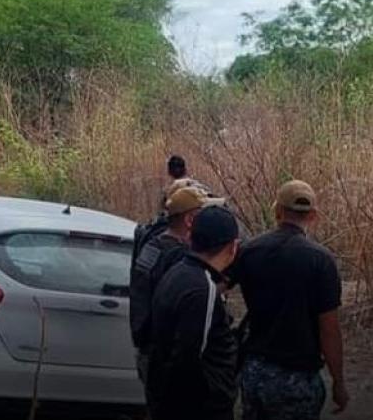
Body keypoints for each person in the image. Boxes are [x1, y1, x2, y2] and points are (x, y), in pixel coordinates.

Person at [232, 180, 349, 420]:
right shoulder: (321, 261)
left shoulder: (250, 250)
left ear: (277, 211)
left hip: (257, 371)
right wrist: (338, 381)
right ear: (314, 215)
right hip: (299, 378)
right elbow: (329, 329)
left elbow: (217, 285)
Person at [147, 206, 240, 420]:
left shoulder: (177, 272)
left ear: (190, 237)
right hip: (196, 409)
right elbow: (188, 359)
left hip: (166, 400)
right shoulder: (202, 289)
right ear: (232, 247)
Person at [130, 186, 225, 385]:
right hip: (168, 361)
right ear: (190, 220)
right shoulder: (178, 258)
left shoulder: (152, 246)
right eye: (203, 214)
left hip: (149, 351)